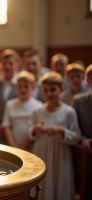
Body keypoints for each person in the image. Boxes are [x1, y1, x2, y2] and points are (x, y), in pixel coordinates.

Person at [29, 71, 82, 200]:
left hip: (61, 154)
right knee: (43, 185)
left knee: (59, 185)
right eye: (45, 90)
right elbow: (30, 133)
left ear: (61, 89)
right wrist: (35, 129)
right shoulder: (37, 111)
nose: (49, 94)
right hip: (41, 152)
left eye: (53, 90)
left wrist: (62, 130)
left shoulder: (69, 111)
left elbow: (77, 137)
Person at [2, 71, 43, 150]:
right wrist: (13, 146)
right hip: (13, 147)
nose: (22, 89)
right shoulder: (10, 104)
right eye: (19, 87)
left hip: (32, 147)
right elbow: (7, 127)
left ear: (33, 87)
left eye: (26, 86)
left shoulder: (39, 106)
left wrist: (26, 146)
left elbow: (36, 129)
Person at [72, 64, 92, 200]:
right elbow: (73, 127)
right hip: (85, 155)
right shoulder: (78, 101)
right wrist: (82, 139)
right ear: (88, 80)